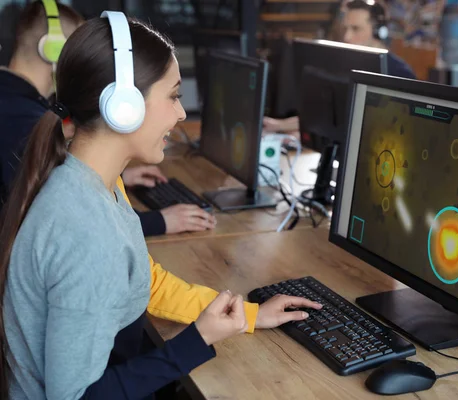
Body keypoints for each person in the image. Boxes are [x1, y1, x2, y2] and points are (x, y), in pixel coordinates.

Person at [0, 11, 321, 399]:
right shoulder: (85, 231)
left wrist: (250, 315)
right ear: (123, 106)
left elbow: (143, 280)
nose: (182, 113)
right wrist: (194, 342)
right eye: (173, 96)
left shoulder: (92, 180)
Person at [0, 1, 214, 237]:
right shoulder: (21, 119)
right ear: (51, 49)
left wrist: (119, 175)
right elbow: (75, 220)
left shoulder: (18, 103)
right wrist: (158, 222)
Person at [263, 0, 415, 134]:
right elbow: (330, 118)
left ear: (377, 32)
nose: (347, 37)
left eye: (356, 29)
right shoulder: (346, 65)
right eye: (346, 29)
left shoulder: (401, 73)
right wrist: (278, 125)